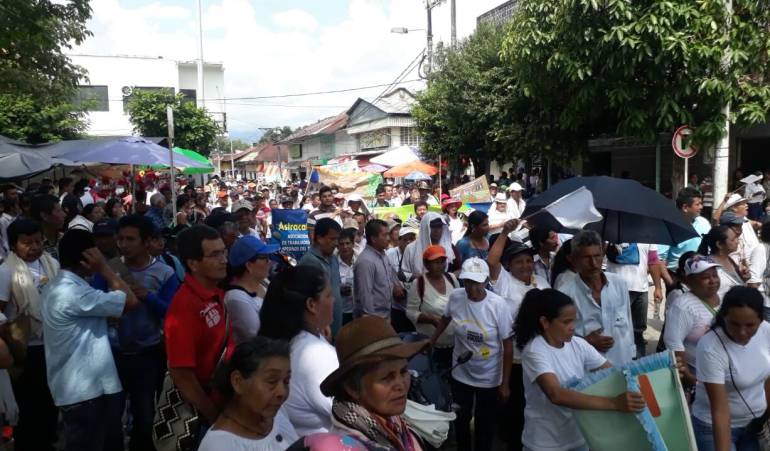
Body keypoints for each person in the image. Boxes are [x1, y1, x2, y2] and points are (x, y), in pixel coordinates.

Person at [41, 229, 139, 451]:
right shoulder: (73, 293)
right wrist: (106, 269)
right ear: (88, 260)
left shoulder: (60, 288)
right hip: (87, 392)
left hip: (82, 390)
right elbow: (131, 301)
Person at [514, 289, 646, 451]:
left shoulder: (578, 344)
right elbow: (556, 394)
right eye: (566, 322)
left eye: (574, 321)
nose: (572, 327)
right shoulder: (535, 350)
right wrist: (614, 403)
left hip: (579, 437)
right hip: (545, 442)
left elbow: (615, 373)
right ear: (545, 322)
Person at [92, 214, 179, 451]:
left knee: (145, 416)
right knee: (111, 418)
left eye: (131, 239)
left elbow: (173, 313)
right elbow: (94, 303)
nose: (124, 244)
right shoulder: (108, 270)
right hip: (112, 356)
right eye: (120, 239)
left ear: (147, 242)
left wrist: (149, 297)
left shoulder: (165, 272)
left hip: (147, 355)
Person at [430, 258, 513, 451]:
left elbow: (507, 345)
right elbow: (445, 318)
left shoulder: (498, 305)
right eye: (468, 282)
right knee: (461, 418)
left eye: (477, 282)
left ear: (485, 282)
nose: (472, 288)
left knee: (485, 424)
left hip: (489, 376)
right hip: (461, 372)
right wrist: (431, 341)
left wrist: (505, 383)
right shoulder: (456, 297)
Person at [319, 316, 427, 450]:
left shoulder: (393, 422)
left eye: (404, 371)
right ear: (353, 388)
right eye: (387, 377)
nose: (401, 384)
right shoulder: (347, 445)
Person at [487, 220, 550, 450]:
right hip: (514, 360)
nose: (525, 265)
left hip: (542, 357)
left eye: (528, 261)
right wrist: (505, 232)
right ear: (509, 265)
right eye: (519, 262)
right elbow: (492, 261)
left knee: (537, 407)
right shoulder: (504, 283)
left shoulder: (542, 283)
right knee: (515, 409)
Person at [164, 225, 231, 441]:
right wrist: (214, 419)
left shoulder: (216, 292)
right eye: (214, 254)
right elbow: (182, 374)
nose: (223, 260)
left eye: (223, 252)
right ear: (193, 263)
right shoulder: (185, 306)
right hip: (204, 421)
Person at [0, 219, 59, 451]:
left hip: (52, 345)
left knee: (50, 403)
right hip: (25, 350)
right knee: (28, 407)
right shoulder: (5, 272)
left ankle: (48, 442)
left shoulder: (51, 263)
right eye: (26, 243)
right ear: (14, 245)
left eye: (37, 241)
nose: (34, 247)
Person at [259, 265, 338, 436]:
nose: (334, 300)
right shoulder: (315, 355)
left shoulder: (295, 341)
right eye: (329, 295)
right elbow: (353, 412)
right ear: (311, 304)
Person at [692, 286, 770, 451]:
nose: (742, 332)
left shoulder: (766, 332)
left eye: (750, 325)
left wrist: (764, 417)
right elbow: (719, 410)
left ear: (761, 320)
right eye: (734, 324)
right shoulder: (710, 347)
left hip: (755, 425)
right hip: (712, 428)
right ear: (723, 317)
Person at [198, 337, 298, 451]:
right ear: (238, 382)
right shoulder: (219, 446)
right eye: (272, 381)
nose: (283, 392)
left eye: (286, 381)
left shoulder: (277, 413)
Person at [556, 230, 635, 366]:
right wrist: (586, 341)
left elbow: (628, 322)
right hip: (588, 371)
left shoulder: (619, 283)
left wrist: (632, 356)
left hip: (623, 363)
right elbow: (557, 339)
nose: (593, 263)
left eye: (597, 256)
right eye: (586, 258)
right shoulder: (565, 293)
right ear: (573, 259)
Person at [663, 255, 721, 389]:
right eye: (705, 277)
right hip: (697, 375)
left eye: (715, 275)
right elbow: (673, 344)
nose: (712, 280)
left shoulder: (725, 298)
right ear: (689, 281)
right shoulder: (682, 306)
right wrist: (688, 377)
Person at [605, 242, 663, 357]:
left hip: (640, 289)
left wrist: (658, 287)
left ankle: (638, 364)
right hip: (614, 289)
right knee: (616, 330)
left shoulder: (649, 233)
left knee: (638, 331)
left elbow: (653, 261)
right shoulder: (612, 230)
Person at [406, 245, 458, 370]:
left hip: (455, 344)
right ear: (426, 264)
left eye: (442, 262)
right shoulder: (419, 283)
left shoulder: (452, 278)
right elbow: (410, 311)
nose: (440, 265)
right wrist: (430, 319)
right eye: (436, 262)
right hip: (431, 345)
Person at [225, 235, 279, 345]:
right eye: (265, 258)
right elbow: (258, 337)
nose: (270, 262)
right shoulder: (236, 298)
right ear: (249, 265)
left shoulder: (264, 282)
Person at [658, 187, 711, 289]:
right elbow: (660, 259)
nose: (701, 207)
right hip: (678, 278)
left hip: (702, 276)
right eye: (697, 204)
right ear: (685, 207)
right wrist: (672, 284)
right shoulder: (669, 227)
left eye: (701, 203)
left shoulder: (703, 223)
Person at [299, 218, 344, 336]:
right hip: (320, 330)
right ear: (319, 238)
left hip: (335, 325)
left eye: (337, 239)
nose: (336, 243)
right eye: (332, 239)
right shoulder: (309, 262)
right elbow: (309, 299)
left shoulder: (333, 258)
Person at [354, 219, 404, 322]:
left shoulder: (382, 254)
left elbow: (390, 271)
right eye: (385, 235)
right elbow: (365, 295)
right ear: (373, 238)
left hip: (386, 315)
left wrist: (396, 284)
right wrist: (373, 323)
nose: (389, 239)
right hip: (374, 320)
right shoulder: (366, 261)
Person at [699, 226, 747, 300]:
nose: (737, 241)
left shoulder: (730, 260)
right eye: (733, 239)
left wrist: (744, 279)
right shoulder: (708, 266)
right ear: (719, 244)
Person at [403, 212, 457, 277]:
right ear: (425, 228)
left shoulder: (449, 247)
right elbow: (405, 272)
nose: (436, 230)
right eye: (432, 227)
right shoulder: (411, 249)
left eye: (439, 226)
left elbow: (458, 269)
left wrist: (448, 279)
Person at [30, 194, 66, 261]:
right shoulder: (33, 247)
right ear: (44, 216)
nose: (64, 214)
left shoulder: (64, 238)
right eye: (59, 211)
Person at [337, 229, 356, 325]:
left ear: (353, 244)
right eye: (341, 244)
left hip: (357, 311)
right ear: (338, 246)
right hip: (340, 311)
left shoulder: (360, 260)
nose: (345, 247)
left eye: (348, 243)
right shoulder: (333, 263)